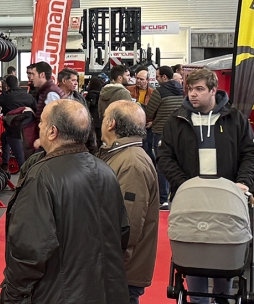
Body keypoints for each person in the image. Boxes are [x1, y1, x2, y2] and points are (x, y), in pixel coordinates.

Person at [0, 100, 128, 303]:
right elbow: (121, 232)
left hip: (59, 293)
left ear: (52, 131)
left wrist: (11, 296)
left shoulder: (41, 177)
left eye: (41, 122)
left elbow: (29, 251)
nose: (38, 126)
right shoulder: (105, 170)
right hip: (105, 289)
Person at [156, 68, 254, 302]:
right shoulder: (177, 120)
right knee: (193, 256)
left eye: (199, 89)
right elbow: (164, 157)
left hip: (227, 203)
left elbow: (249, 154)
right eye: (190, 89)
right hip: (190, 202)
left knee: (223, 258)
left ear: (214, 90)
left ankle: (221, 297)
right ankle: (198, 300)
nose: (193, 94)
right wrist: (185, 185)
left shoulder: (235, 119)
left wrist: (243, 183)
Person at [98, 101, 159, 303]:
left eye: (105, 117)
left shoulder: (131, 162)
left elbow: (128, 227)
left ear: (111, 124)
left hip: (121, 272)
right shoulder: (121, 155)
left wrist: (111, 267)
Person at [144, 65, 182, 209]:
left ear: (164, 77)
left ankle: (163, 199)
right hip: (178, 132)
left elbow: (149, 112)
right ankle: (175, 196)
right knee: (176, 164)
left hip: (161, 132)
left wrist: (152, 119)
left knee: (161, 165)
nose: (157, 79)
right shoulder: (181, 91)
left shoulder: (159, 92)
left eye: (158, 76)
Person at [24, 62, 60, 153]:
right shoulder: (46, 91)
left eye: (33, 74)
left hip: (49, 142)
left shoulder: (51, 93)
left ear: (42, 75)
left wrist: (43, 139)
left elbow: (55, 119)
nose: (31, 78)